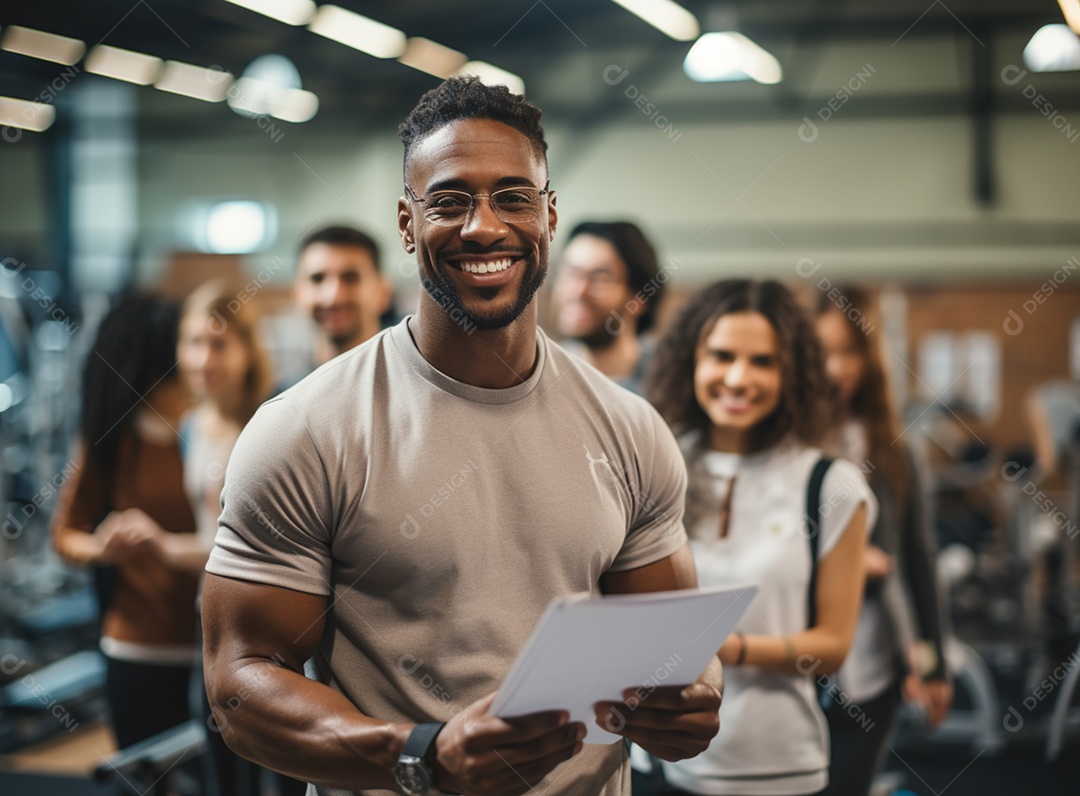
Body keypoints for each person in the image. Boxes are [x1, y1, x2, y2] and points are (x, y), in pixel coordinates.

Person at [201, 76, 723, 796]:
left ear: (549, 214)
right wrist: (420, 755)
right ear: (408, 223)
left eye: (513, 197)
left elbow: (670, 645)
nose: (483, 226)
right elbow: (239, 683)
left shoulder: (630, 429)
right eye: (449, 201)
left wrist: (692, 697)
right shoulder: (304, 429)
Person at [646, 279, 873, 796]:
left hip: (776, 764)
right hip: (659, 758)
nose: (738, 378)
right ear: (690, 361)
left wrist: (725, 647)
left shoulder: (830, 484)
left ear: (792, 371)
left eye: (764, 362)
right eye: (721, 356)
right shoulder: (658, 462)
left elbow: (833, 646)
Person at [814, 289, 951, 796]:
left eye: (850, 352)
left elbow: (920, 558)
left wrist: (933, 662)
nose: (837, 368)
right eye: (824, 351)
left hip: (875, 667)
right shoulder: (789, 442)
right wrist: (846, 562)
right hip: (802, 667)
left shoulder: (897, 448)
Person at [51, 293, 198, 749]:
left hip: (214, 647)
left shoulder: (220, 429)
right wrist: (105, 545)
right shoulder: (113, 440)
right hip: (139, 646)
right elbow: (66, 534)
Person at [551, 220, 665, 395]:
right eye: (570, 273)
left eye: (600, 279)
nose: (578, 291)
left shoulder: (669, 380)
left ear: (640, 298)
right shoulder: (543, 375)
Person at [293, 225, 393, 370]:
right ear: (297, 293)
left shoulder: (413, 388)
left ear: (383, 293)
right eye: (317, 279)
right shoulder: (288, 392)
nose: (333, 297)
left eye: (350, 278)